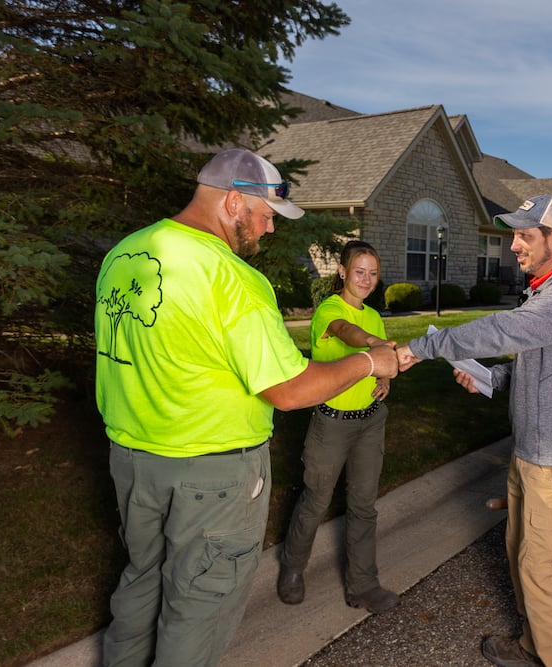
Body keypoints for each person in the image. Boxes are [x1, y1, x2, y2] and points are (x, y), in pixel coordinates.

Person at [93, 148, 398, 667]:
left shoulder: (124, 254)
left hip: (133, 462)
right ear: (234, 202)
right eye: (265, 215)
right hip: (211, 476)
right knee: (197, 610)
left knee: (140, 583)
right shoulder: (230, 277)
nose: (270, 229)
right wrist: (371, 363)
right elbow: (291, 389)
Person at [397, 195, 552, 667]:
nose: (514, 245)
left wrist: (424, 346)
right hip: (530, 453)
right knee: (520, 554)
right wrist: (490, 379)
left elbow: (504, 330)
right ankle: (535, 645)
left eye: (525, 235)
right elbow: (537, 370)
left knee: (545, 571)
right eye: (513, 235)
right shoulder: (544, 290)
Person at [276, 240, 400, 613]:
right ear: (343, 272)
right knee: (315, 501)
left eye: (373, 273)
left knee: (364, 505)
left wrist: (385, 379)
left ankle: (362, 585)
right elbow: (349, 333)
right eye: (359, 271)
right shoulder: (329, 310)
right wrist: (376, 344)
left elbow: (378, 364)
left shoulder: (375, 315)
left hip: (369, 421)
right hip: (331, 423)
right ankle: (292, 569)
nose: (366, 279)